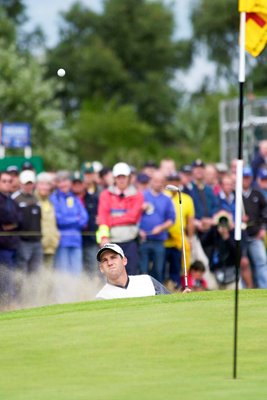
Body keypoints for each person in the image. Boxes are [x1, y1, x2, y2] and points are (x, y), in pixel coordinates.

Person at [97, 162, 144, 275]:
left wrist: (111, 220)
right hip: (112, 241)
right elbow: (103, 217)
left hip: (130, 240)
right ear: (114, 178)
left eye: (124, 177)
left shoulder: (137, 195)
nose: (121, 180)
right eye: (119, 177)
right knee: (113, 274)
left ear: (129, 178)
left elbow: (133, 217)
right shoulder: (105, 194)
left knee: (131, 272)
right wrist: (104, 237)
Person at [95, 243, 171, 300]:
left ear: (124, 261)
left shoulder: (147, 280)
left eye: (113, 257)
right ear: (101, 268)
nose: (110, 263)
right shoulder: (102, 297)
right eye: (105, 260)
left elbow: (170, 301)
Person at [139, 170, 175, 282]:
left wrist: (161, 228)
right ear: (151, 181)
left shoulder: (167, 199)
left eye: (161, 181)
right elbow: (133, 215)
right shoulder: (142, 196)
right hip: (143, 239)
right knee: (142, 270)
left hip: (159, 240)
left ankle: (158, 294)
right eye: (156, 181)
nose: (158, 184)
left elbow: (171, 219)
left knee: (158, 270)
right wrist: (139, 230)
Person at [50, 170, 88, 275]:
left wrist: (70, 219)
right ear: (57, 184)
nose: (63, 184)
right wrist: (75, 219)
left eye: (65, 181)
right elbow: (59, 220)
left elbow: (84, 218)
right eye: (60, 181)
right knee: (63, 274)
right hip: (61, 241)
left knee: (77, 273)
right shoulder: (54, 198)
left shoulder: (74, 198)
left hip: (76, 240)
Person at [12, 170, 43, 273]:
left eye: (30, 184)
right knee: (22, 271)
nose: (28, 186)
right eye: (26, 184)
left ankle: (32, 290)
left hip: (37, 242)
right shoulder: (15, 198)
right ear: (21, 183)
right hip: (22, 242)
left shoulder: (36, 199)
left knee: (36, 273)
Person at [35, 172, 60, 269]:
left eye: (47, 184)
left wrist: (56, 236)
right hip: (38, 245)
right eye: (42, 184)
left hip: (51, 245)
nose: (45, 187)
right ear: (37, 185)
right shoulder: (34, 200)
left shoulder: (50, 201)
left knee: (48, 275)